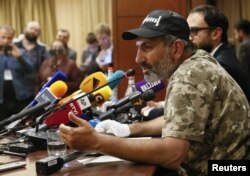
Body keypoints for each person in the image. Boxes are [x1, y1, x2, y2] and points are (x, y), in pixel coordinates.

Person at [59, 10, 249, 176]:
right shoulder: (197, 59)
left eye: (147, 48)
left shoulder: (188, 75)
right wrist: (127, 129)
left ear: (176, 48)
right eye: (138, 48)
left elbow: (173, 154)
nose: (138, 58)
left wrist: (97, 142)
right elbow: (178, 120)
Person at [187, 5, 250, 103]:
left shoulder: (221, 66)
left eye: (194, 31)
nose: (189, 38)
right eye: (188, 31)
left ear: (215, 33)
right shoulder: (222, 55)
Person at [0, 25, 35, 120]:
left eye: (9, 38)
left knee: (20, 124)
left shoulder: (21, 52)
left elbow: (31, 70)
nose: (6, 41)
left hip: (19, 95)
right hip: (2, 97)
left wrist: (20, 57)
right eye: (3, 37)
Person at [15, 21, 49, 94]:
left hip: (34, 88)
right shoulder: (14, 45)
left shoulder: (42, 49)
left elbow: (45, 68)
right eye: (31, 28)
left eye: (36, 30)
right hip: (15, 86)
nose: (33, 31)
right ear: (25, 29)